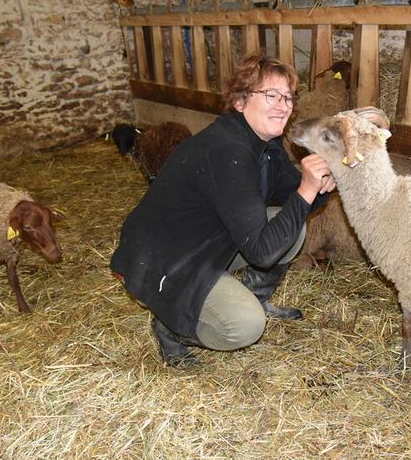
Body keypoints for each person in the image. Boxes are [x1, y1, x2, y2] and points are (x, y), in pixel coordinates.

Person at [110, 51, 336, 365]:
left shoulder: (267, 145)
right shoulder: (228, 151)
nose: (284, 105)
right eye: (271, 95)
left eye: (288, 97)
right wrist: (307, 189)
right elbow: (262, 252)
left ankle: (255, 296)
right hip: (162, 261)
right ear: (240, 101)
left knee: (290, 225)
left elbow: (291, 197)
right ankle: (170, 325)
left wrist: (319, 188)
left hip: (206, 241)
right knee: (244, 326)